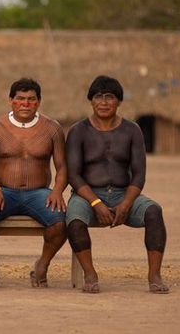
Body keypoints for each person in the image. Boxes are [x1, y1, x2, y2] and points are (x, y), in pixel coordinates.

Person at [65, 75, 169, 294]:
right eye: (98, 97)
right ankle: (90, 274)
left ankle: (154, 275)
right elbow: (73, 175)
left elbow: (139, 174)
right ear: (91, 101)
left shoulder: (132, 131)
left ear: (119, 101)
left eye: (109, 97)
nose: (103, 102)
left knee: (154, 212)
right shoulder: (78, 131)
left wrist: (126, 204)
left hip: (124, 193)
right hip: (87, 195)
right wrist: (95, 202)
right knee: (73, 219)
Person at [0, 77, 68, 288]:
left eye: (31, 99)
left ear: (39, 102)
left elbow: (62, 167)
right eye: (20, 99)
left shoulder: (53, 129)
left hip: (39, 193)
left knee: (61, 222)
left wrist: (57, 191)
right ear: (10, 101)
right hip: (3, 192)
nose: (25, 104)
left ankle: (42, 265)